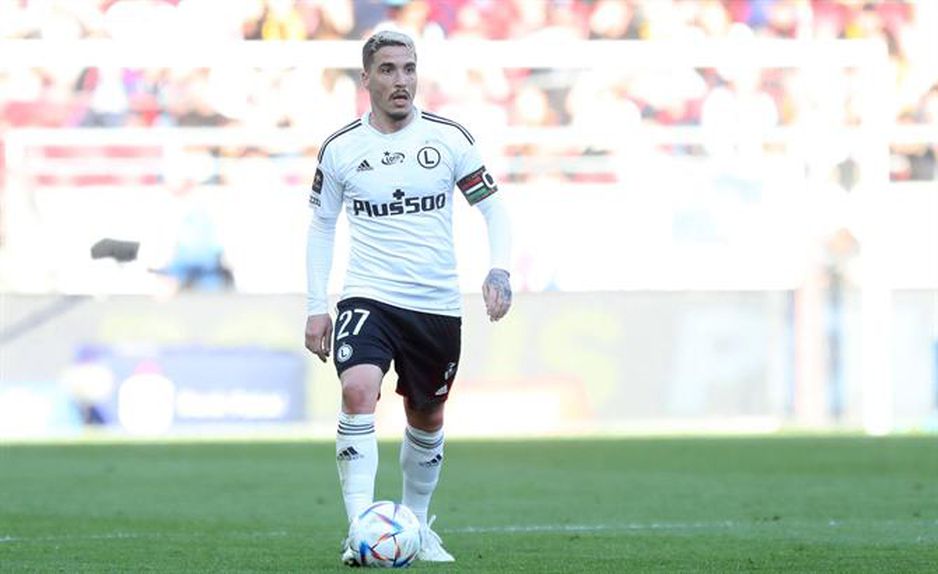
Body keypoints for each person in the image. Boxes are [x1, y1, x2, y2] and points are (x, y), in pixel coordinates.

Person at [304, 30, 512, 565]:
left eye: (409, 69)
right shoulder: (341, 148)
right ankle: (360, 530)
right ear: (366, 79)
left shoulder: (448, 139)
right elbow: (322, 226)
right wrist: (316, 306)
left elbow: (493, 207)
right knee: (358, 391)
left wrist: (499, 269)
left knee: (427, 414)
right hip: (368, 296)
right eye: (389, 69)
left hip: (435, 304)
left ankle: (416, 526)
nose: (402, 81)